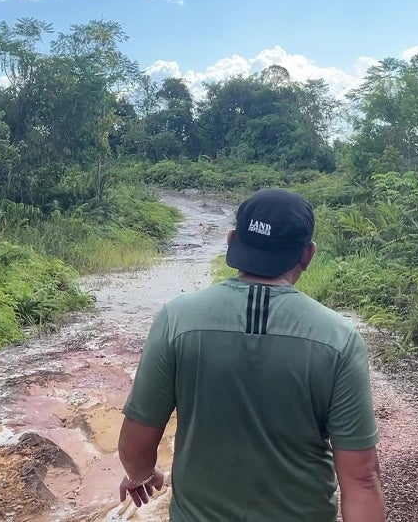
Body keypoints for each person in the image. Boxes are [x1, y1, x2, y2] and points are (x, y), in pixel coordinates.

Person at [117, 188, 385, 521]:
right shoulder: (338, 339)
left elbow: (134, 446)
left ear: (231, 241)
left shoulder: (177, 319)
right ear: (307, 255)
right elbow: (361, 479)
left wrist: (141, 474)